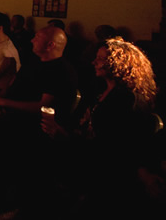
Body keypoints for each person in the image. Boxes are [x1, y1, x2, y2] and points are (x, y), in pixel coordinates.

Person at [40, 37, 158, 218]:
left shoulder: (127, 100)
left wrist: (65, 136)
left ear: (118, 64)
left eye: (101, 59)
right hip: (85, 150)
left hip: (102, 166)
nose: (94, 62)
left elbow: (111, 148)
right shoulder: (101, 90)